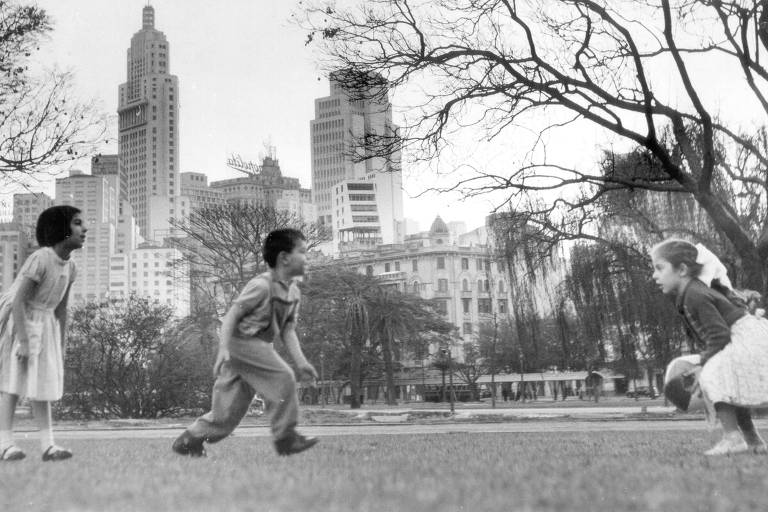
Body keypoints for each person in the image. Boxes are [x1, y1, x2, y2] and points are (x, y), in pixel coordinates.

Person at [172, 228, 319, 457]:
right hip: (242, 342)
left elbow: (288, 330)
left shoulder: (293, 293)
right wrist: (223, 349)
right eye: (302, 252)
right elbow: (232, 314)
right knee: (283, 377)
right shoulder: (261, 285)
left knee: (229, 411)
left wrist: (302, 363)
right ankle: (285, 438)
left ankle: (190, 439)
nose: (307, 258)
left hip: (259, 348)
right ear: (284, 258)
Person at [651, 239, 768, 456]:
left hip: (745, 337)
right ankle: (753, 440)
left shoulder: (694, 294)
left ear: (683, 269)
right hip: (745, 335)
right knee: (731, 386)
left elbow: (719, 334)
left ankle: (733, 438)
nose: (654, 275)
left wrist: (703, 364)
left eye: (660, 268)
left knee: (713, 374)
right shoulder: (692, 292)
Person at [0, 205, 86, 461]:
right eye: (77, 223)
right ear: (61, 229)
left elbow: (61, 309)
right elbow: (18, 302)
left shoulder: (71, 267)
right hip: (22, 322)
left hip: (46, 326)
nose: (85, 228)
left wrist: (61, 344)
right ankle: (5, 443)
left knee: (43, 384)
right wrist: (24, 341)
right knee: (12, 384)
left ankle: (48, 446)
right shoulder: (41, 258)